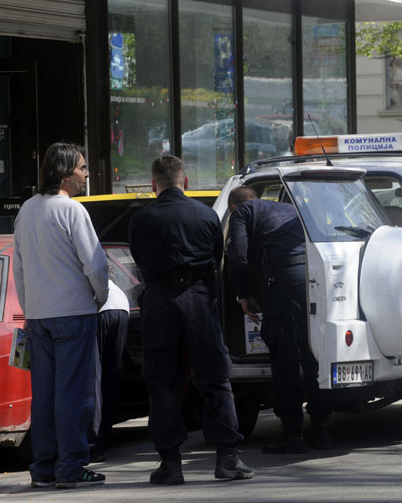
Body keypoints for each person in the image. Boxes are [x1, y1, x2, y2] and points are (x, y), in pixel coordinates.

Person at [128, 155, 252, 485]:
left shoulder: (141, 219)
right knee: (214, 377)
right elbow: (216, 259)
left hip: (159, 301)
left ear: (153, 185)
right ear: (185, 182)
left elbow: (138, 259)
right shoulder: (206, 215)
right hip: (197, 297)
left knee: (162, 382)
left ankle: (170, 463)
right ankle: (227, 457)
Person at [13, 142, 110, 488]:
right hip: (73, 313)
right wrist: (100, 297)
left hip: (39, 317)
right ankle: (70, 467)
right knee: (74, 394)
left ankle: (43, 468)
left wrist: (30, 309)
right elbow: (96, 264)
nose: (87, 174)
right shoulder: (72, 211)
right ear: (67, 175)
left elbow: (19, 268)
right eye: (83, 169)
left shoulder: (26, 210)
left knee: (45, 395)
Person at [226, 186, 332, 453]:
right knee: (313, 355)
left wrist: (243, 295)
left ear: (233, 208)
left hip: (284, 282)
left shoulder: (242, 213)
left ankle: (292, 434)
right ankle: (321, 429)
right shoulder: (288, 208)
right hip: (313, 281)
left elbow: (238, 256)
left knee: (284, 357)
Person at [88, 279, 130, 463]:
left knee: (94, 378)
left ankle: (95, 443)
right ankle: (103, 437)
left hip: (99, 306)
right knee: (110, 377)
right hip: (121, 306)